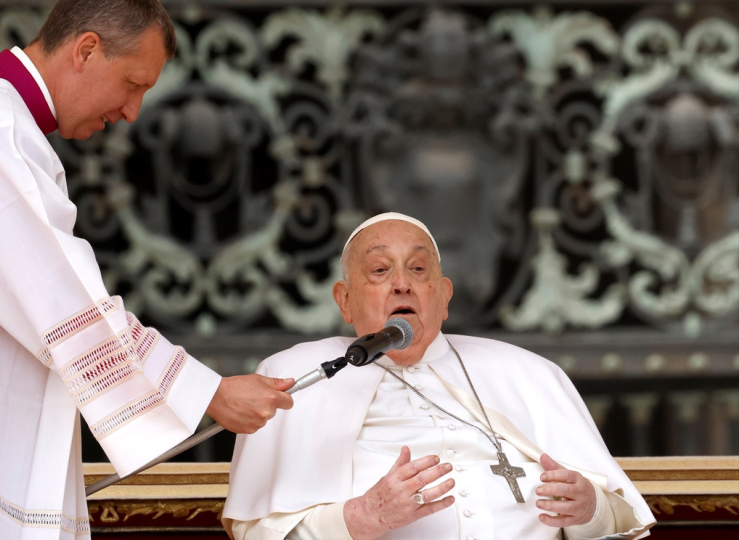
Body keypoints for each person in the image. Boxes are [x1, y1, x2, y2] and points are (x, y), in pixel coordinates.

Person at [0, 1, 293, 538]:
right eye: (133, 83)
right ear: (87, 50)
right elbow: (62, 300)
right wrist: (206, 392)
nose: (133, 112)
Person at [223, 212, 656, 540]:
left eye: (418, 269)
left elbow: (619, 520)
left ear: (443, 297)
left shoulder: (525, 372)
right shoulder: (298, 377)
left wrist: (589, 510)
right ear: (345, 300)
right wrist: (360, 517)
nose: (402, 284)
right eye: (379, 271)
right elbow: (259, 533)